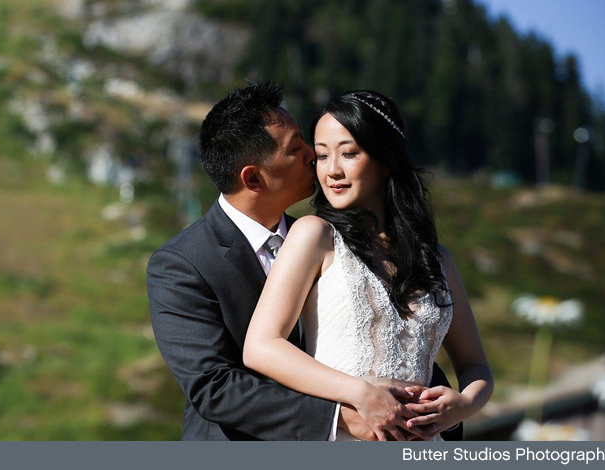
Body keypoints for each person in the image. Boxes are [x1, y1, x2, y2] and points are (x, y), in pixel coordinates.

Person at [147, 82, 461, 440]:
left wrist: (437, 409)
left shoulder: (332, 240)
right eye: (297, 148)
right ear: (253, 178)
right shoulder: (181, 264)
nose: (314, 156)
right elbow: (215, 388)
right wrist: (339, 418)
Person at [243, 90, 494, 441]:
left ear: (385, 158)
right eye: (321, 156)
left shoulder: (437, 259)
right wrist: (360, 393)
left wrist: (464, 404)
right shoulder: (314, 235)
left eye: (349, 153)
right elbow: (261, 347)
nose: (332, 171)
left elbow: (476, 366)